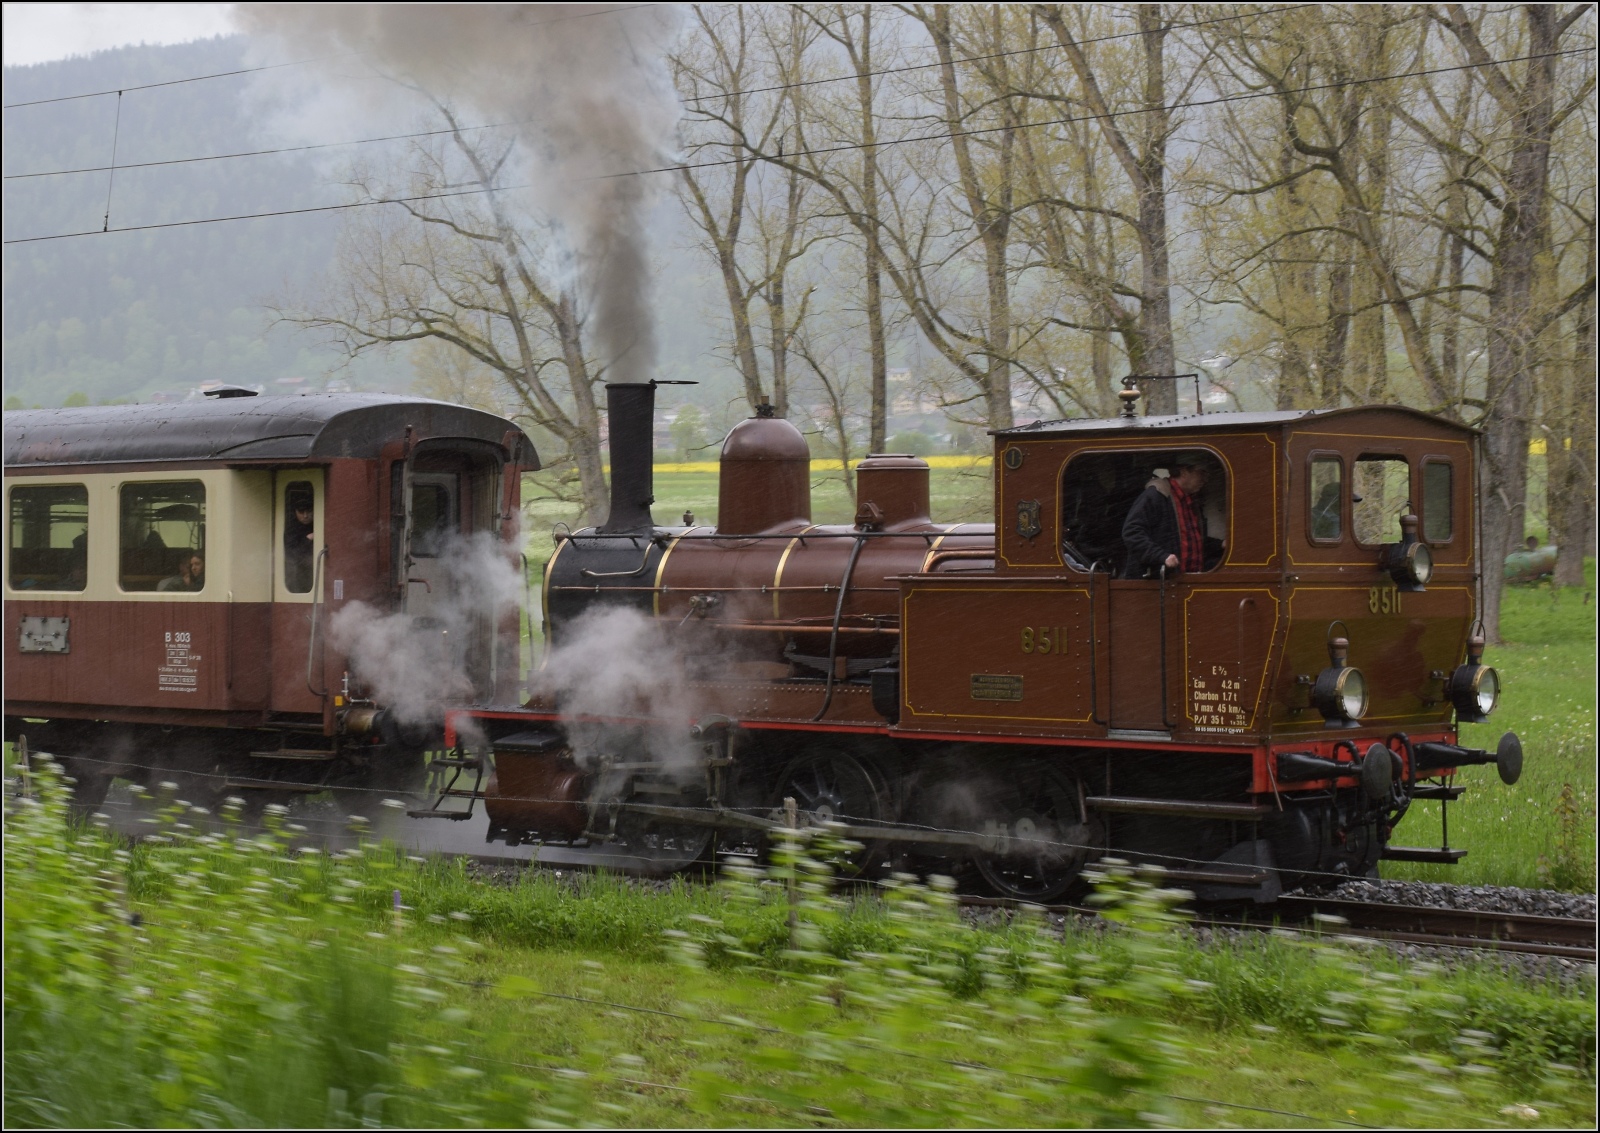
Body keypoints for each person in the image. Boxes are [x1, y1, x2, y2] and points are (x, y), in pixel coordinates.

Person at [1121, 453, 1222, 578]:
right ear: (1184, 472)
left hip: (1188, 580)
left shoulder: (1191, 501)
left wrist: (1221, 545)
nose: (1205, 479)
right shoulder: (1156, 495)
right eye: (1201, 473)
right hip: (1160, 582)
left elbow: (1193, 541)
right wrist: (1161, 556)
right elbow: (1131, 532)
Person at [283, 494, 315, 592]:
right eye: (301, 512)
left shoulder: (320, 524)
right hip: (298, 574)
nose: (305, 515)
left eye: (309, 511)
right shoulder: (291, 530)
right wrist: (308, 539)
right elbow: (293, 554)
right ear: (295, 512)